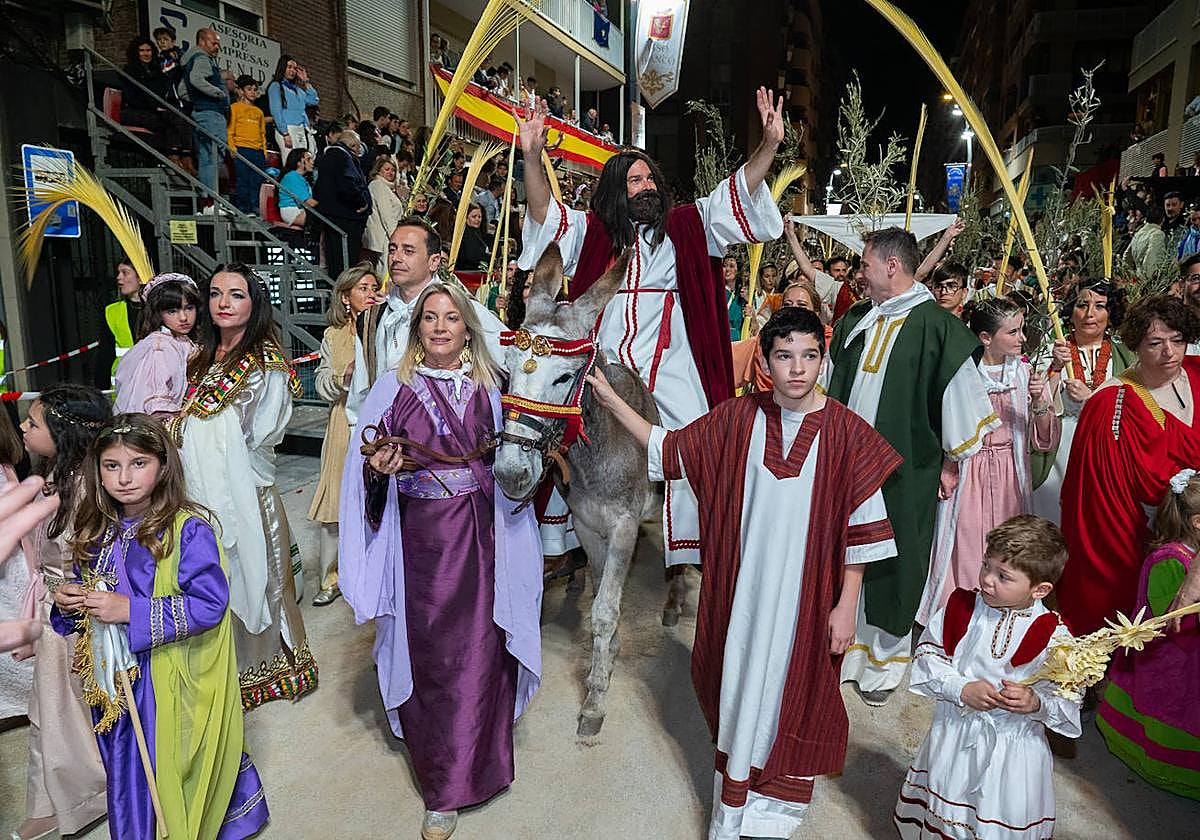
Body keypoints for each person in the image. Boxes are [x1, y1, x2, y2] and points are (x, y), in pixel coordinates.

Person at [588, 307, 902, 839]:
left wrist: (847, 604)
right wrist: (613, 400)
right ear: (764, 362)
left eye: (808, 356)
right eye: (784, 356)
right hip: (742, 594)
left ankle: (775, 815)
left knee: (796, 692)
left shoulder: (849, 433)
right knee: (738, 686)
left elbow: (863, 528)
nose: (797, 369)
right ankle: (733, 806)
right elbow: (669, 447)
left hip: (807, 599)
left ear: (823, 360)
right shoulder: (736, 419)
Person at [516, 88, 786, 567]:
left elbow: (737, 194)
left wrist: (768, 145)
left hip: (671, 361)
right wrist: (532, 159)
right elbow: (544, 216)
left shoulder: (688, 224)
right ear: (616, 191)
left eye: (649, 179)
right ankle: (563, 536)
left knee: (700, 434)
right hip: (607, 360)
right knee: (564, 428)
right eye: (634, 180)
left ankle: (700, 543)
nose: (646, 187)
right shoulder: (592, 231)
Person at [339, 282, 542, 840]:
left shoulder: (493, 386)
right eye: (429, 318)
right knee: (432, 659)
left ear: (468, 328)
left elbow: (516, 462)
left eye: (451, 318)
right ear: (417, 328)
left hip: (483, 539)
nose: (439, 327)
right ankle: (443, 791)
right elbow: (362, 477)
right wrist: (378, 469)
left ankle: (484, 765)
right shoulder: (392, 387)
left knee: (483, 651)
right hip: (422, 550)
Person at [52, 415, 269, 839]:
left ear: (163, 465)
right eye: (111, 466)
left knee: (170, 759)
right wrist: (72, 599)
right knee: (127, 762)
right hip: (116, 682)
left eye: (139, 464)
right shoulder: (95, 530)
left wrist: (131, 611)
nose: (124, 478)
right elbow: (91, 598)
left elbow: (209, 605)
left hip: (163, 679)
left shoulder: (187, 530)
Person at [821, 227, 998, 705]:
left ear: (892, 266)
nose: (860, 273)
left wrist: (949, 461)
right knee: (838, 551)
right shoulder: (858, 316)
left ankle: (880, 666)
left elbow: (961, 403)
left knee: (894, 562)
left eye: (865, 264)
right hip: (844, 464)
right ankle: (838, 651)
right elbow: (831, 380)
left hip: (905, 470)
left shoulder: (938, 327)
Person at [172, 264, 318, 708]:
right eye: (216, 293)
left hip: (248, 490)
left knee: (261, 579)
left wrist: (180, 427)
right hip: (200, 490)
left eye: (236, 295)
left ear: (254, 303)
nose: (223, 303)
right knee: (212, 573)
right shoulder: (203, 357)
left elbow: (254, 434)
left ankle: (268, 667)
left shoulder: (264, 363)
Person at [893, 515, 1081, 840]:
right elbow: (926, 659)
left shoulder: (1057, 639)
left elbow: (1069, 699)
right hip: (956, 736)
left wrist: (1036, 703)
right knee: (947, 807)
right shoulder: (962, 609)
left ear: (1040, 589)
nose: (987, 580)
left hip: (1013, 753)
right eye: (986, 566)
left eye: (1003, 576)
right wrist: (961, 688)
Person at [1060, 295, 1200, 636]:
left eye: (1178, 340)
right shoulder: (1111, 404)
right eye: (1155, 343)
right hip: (1148, 547)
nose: (1170, 352)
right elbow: (1097, 510)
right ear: (1135, 344)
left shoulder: (1197, 374)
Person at [921, 299, 1059, 624]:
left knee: (1011, 542)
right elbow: (949, 424)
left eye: (1021, 330)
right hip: (971, 470)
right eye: (1012, 332)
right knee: (967, 540)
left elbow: (1045, 438)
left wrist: (1039, 399)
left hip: (1010, 471)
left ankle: (1006, 609)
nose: (1022, 338)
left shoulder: (1023, 372)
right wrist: (949, 466)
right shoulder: (964, 373)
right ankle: (960, 613)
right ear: (986, 337)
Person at [13, 385, 109, 840]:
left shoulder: (90, 487)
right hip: (53, 609)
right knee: (50, 710)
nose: (22, 427)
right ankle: (53, 799)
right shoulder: (54, 474)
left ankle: (79, 796)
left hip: (75, 613)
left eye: (33, 423)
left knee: (64, 709)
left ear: (64, 433)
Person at [1094, 468, 1198, 799]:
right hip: (1172, 659)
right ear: (1198, 523)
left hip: (1186, 652)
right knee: (1170, 712)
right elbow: (1174, 624)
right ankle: (1161, 765)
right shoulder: (1171, 562)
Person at [347, 217, 505, 419]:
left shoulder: (464, 310)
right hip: (386, 434)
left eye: (408, 251)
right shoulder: (371, 318)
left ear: (434, 261)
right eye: (393, 249)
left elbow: (511, 360)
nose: (396, 258)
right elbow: (359, 394)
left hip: (448, 434)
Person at [1030, 279, 1133, 523]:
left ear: (1111, 313)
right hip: (1061, 449)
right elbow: (1032, 402)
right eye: (1082, 305)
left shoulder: (1127, 355)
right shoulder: (1050, 351)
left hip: (1107, 446)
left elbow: (1136, 406)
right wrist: (1055, 368)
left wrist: (1093, 399)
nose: (1090, 314)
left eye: (1100, 306)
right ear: (1071, 310)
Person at [307, 264, 378, 607]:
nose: (370, 293)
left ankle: (372, 572)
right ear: (346, 297)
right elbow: (321, 382)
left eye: (374, 287)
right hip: (342, 425)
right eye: (363, 288)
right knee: (335, 501)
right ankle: (331, 577)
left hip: (378, 424)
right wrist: (343, 378)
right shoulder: (333, 337)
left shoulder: (389, 327)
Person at [114, 273, 201, 416]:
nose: (183, 317)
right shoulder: (159, 347)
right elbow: (157, 406)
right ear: (158, 313)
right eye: (172, 311)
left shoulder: (183, 341)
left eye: (189, 308)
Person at [313, 130, 371, 280]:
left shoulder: (330, 157)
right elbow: (346, 184)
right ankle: (344, 289)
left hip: (336, 217)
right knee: (345, 262)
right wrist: (361, 202)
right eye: (358, 146)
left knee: (337, 261)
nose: (359, 151)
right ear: (352, 145)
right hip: (346, 219)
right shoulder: (341, 157)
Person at [182, 27, 229, 207]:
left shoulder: (190, 60)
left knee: (206, 157)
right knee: (214, 158)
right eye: (214, 43)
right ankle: (211, 201)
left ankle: (207, 200)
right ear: (202, 42)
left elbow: (182, 89)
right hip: (212, 115)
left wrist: (196, 100)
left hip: (200, 113)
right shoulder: (202, 59)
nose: (217, 47)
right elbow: (196, 79)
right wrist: (218, 93)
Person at [95, 260, 146, 389]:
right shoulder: (113, 312)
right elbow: (105, 355)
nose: (119, 277)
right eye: (118, 273)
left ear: (140, 278)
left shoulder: (158, 310)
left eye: (125, 273)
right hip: (124, 388)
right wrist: (100, 391)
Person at [227, 75, 268, 215]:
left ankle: (254, 207)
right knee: (243, 180)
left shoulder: (259, 112)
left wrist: (264, 152)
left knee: (256, 181)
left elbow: (262, 134)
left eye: (255, 90)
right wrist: (232, 148)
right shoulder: (235, 108)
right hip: (242, 148)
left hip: (257, 151)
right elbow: (230, 130)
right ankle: (243, 208)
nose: (252, 92)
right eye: (249, 89)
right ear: (241, 91)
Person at [267, 54, 319, 154]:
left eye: (295, 68)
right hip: (287, 128)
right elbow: (276, 111)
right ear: (282, 68)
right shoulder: (276, 86)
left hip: (301, 129)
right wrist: (284, 133)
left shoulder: (298, 90)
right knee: (290, 160)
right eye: (289, 67)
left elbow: (314, 100)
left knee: (302, 160)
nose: (292, 71)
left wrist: (306, 81)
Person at [364, 155, 405, 276]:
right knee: (386, 270)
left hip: (387, 235)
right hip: (385, 236)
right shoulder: (378, 185)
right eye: (387, 169)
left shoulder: (387, 187)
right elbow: (386, 215)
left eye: (393, 170)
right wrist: (395, 237)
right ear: (378, 170)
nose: (390, 172)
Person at [120, 38, 168, 137]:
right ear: (135, 53)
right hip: (135, 110)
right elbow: (130, 97)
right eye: (141, 50)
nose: (146, 54)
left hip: (156, 109)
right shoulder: (129, 71)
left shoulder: (158, 70)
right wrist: (154, 107)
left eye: (148, 50)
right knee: (164, 122)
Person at [277, 148, 317, 227]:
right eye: (308, 159)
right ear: (298, 163)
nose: (312, 162)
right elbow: (308, 202)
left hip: (301, 210)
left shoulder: (301, 178)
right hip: (293, 212)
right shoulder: (292, 177)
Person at [455, 204, 491, 271]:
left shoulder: (477, 233)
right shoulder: (465, 234)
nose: (477, 219)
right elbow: (471, 257)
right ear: (466, 218)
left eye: (479, 217)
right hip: (468, 272)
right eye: (474, 217)